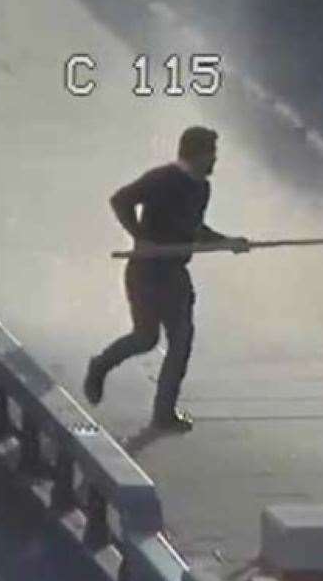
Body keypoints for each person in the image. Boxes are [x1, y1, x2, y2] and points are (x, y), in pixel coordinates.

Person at [83, 126, 250, 432]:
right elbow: (121, 200)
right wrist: (140, 237)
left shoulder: (201, 188)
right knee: (145, 338)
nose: (215, 160)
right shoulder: (164, 179)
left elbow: (195, 231)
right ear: (197, 154)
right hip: (146, 270)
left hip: (174, 273)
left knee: (181, 340)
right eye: (211, 153)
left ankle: (163, 413)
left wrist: (228, 242)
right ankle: (101, 365)